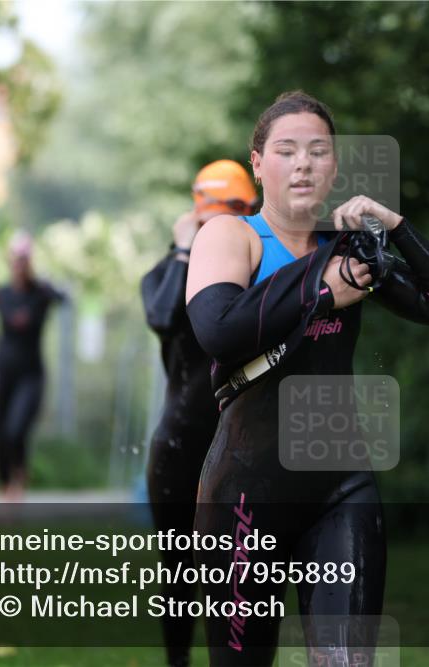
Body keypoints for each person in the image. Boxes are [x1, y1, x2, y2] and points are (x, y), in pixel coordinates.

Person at [185, 91, 429, 665]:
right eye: (287, 150)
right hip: (246, 493)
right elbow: (218, 331)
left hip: (339, 487)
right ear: (257, 163)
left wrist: (396, 227)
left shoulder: (348, 250)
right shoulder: (231, 237)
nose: (303, 164)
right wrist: (321, 289)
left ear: (335, 166)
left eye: (319, 151)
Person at [141, 160, 259, 667]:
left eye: (229, 214)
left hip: (240, 440)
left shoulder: (256, 262)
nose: (217, 224)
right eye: (208, 215)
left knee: (235, 573)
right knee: (178, 570)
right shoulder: (168, 272)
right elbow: (163, 317)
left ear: (247, 212)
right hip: (180, 441)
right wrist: (186, 251)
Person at [0, 231, 66, 503]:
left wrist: (49, 283)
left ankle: (19, 480)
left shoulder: (41, 293)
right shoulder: (1, 295)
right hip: (1, 372)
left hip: (31, 374)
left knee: (16, 429)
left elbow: (64, 297)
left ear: (30, 260)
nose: (20, 264)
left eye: (25, 258)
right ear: (10, 260)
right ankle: (4, 490)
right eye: (16, 258)